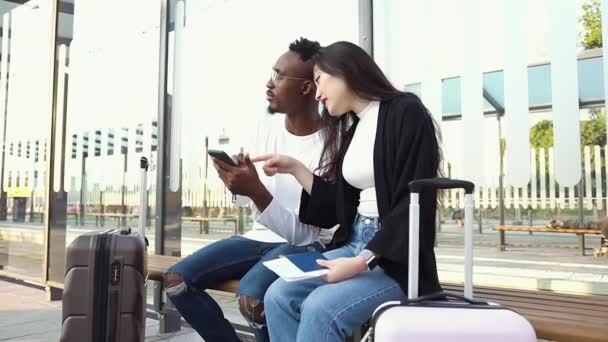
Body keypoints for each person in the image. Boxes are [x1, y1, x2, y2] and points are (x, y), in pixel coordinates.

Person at [256, 41, 443, 341]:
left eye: (319, 80)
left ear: (343, 70)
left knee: (320, 308)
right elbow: (339, 209)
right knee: (278, 295)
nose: (317, 93)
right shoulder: (354, 127)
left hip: (394, 261)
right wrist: (295, 168)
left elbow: (414, 204)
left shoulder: (405, 112)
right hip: (353, 242)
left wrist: (361, 261)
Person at [163, 38, 337, 342]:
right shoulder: (265, 130)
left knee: (251, 299)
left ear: (307, 88)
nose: (269, 84)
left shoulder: (331, 145)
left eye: (279, 76)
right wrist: (237, 183)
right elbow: (247, 201)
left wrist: (256, 190)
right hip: (258, 237)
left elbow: (308, 234)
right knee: (176, 280)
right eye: (272, 73)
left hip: (307, 244)